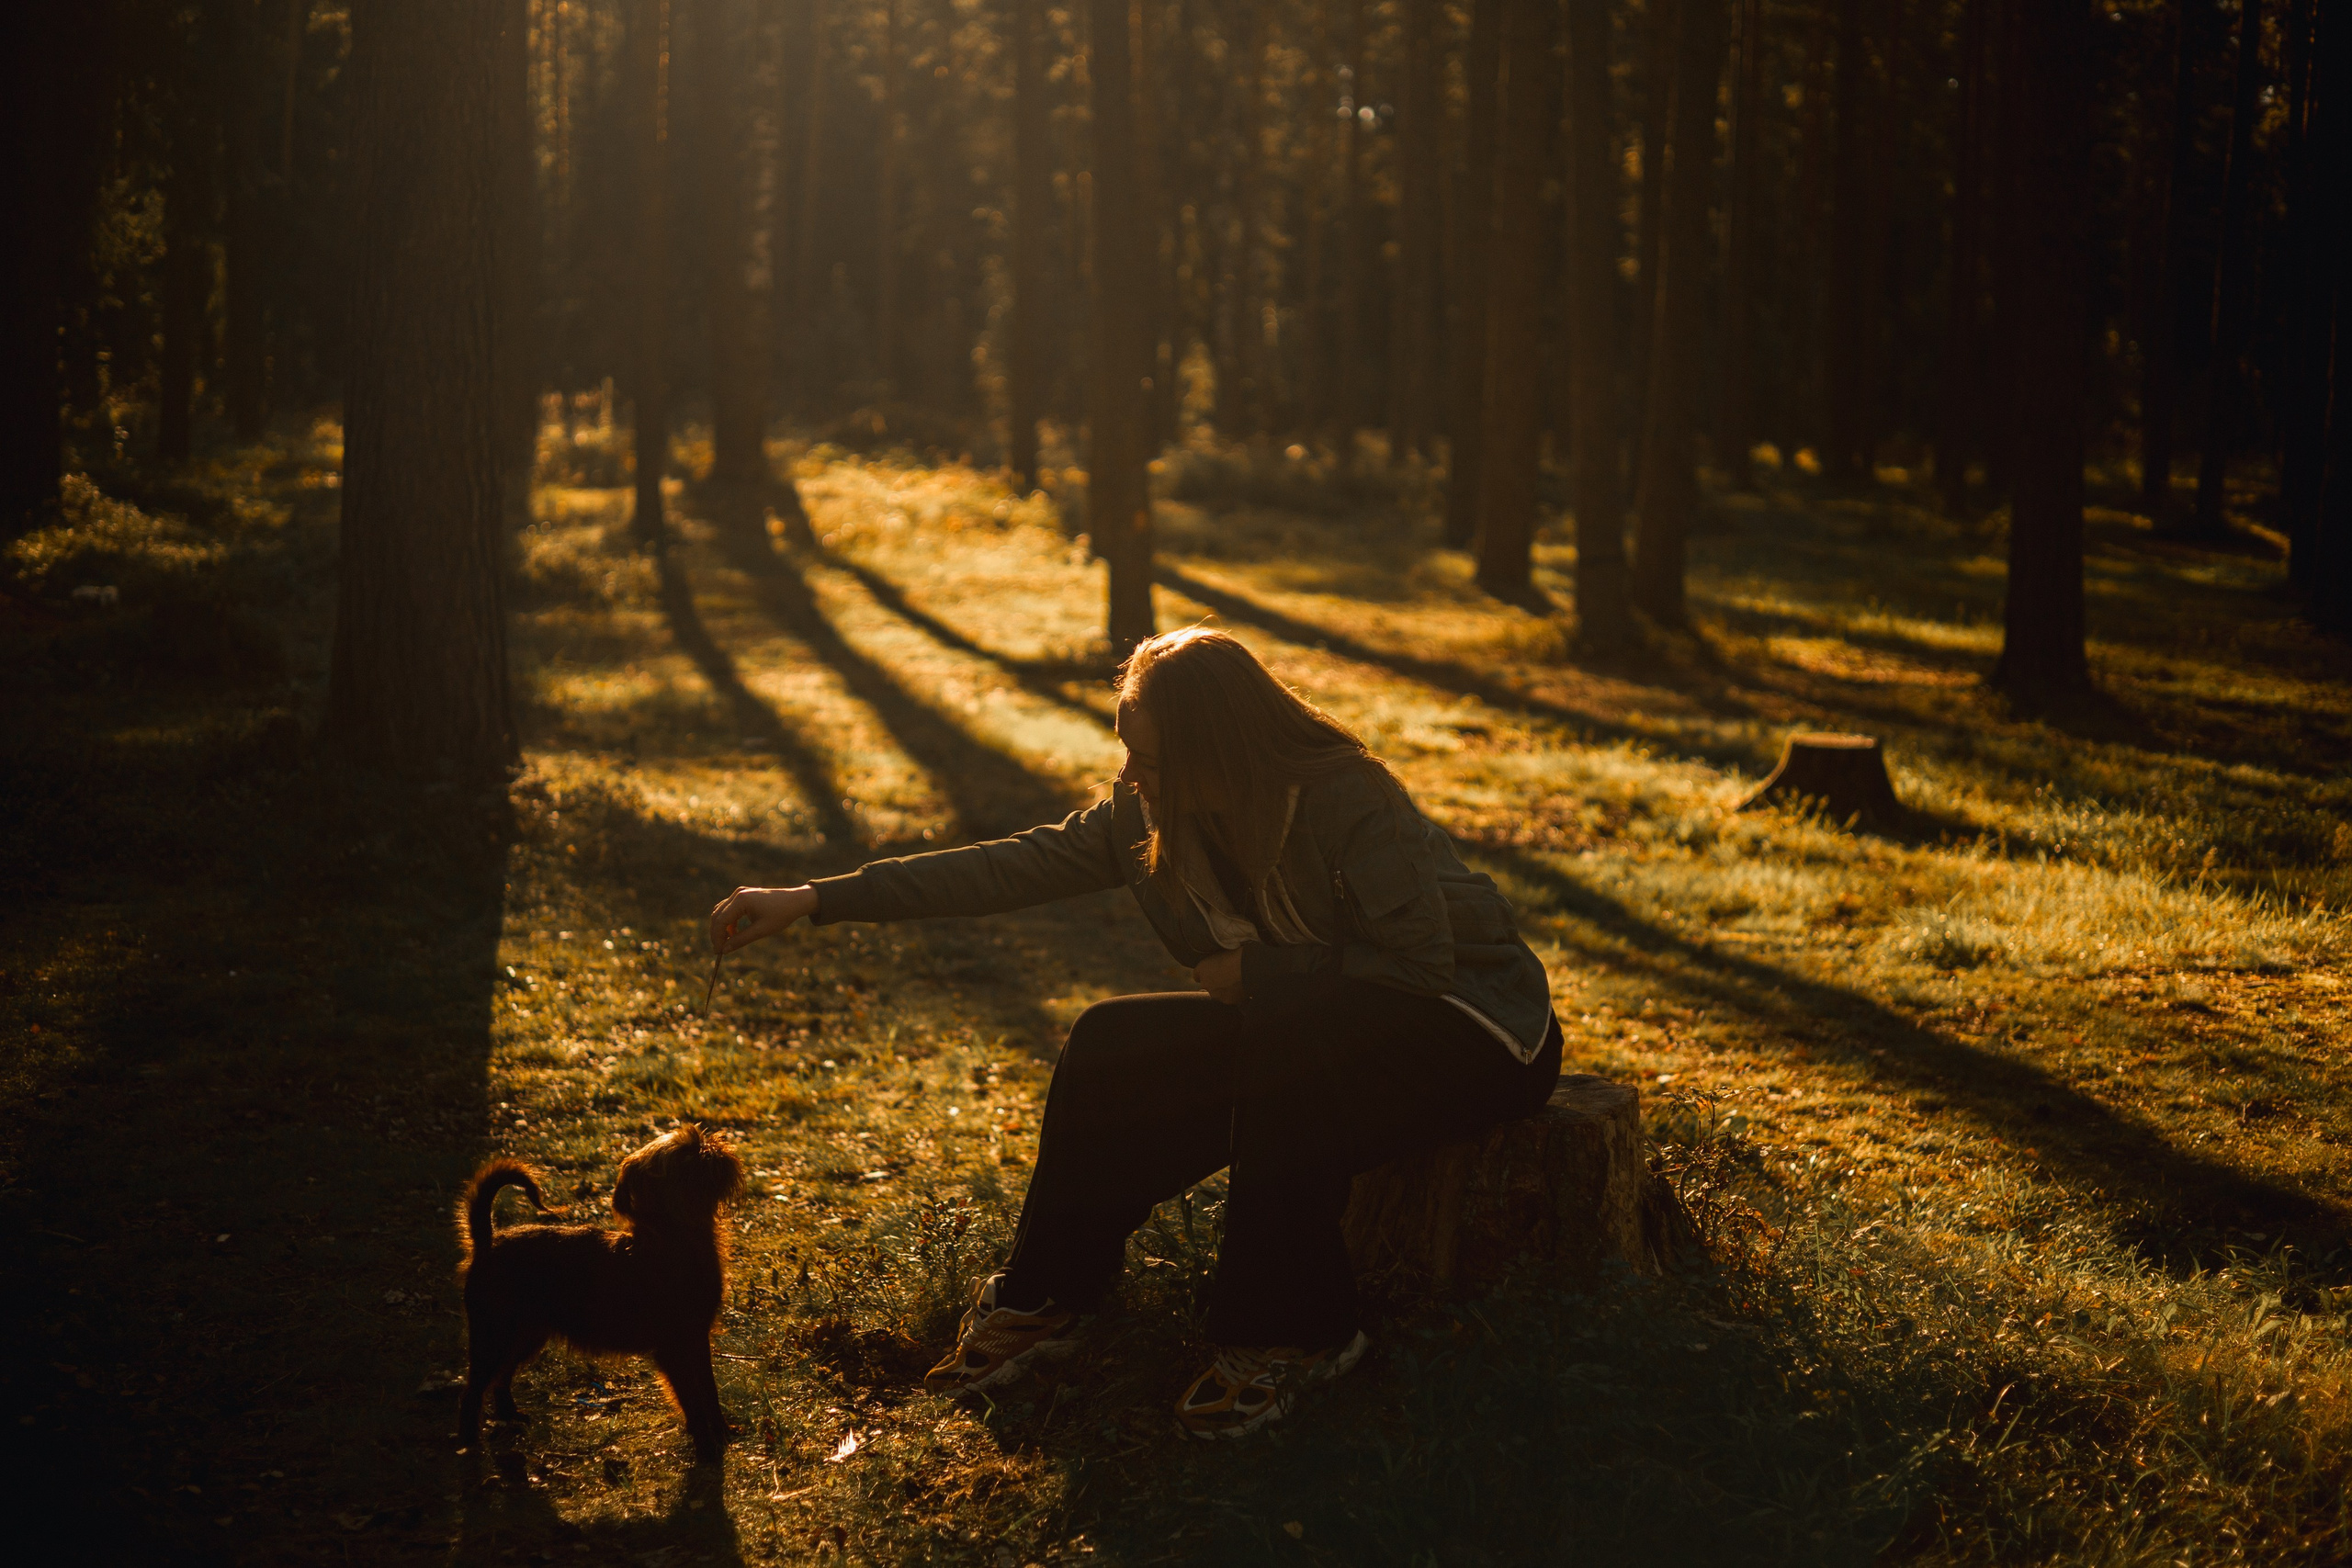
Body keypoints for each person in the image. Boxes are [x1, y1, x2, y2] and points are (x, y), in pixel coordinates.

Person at [707, 627, 1560, 1438]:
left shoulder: (1345, 795)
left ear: (1215, 750)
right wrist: (814, 899)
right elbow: (1004, 867)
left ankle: (1295, 1334)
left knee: (1283, 1041)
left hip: (1474, 1031)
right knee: (1110, 1042)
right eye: (1127, 751)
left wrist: (1261, 977)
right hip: (1306, 1028)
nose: (1130, 775)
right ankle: (1050, 1299)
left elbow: (1422, 964)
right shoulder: (1145, 814)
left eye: (1148, 758)